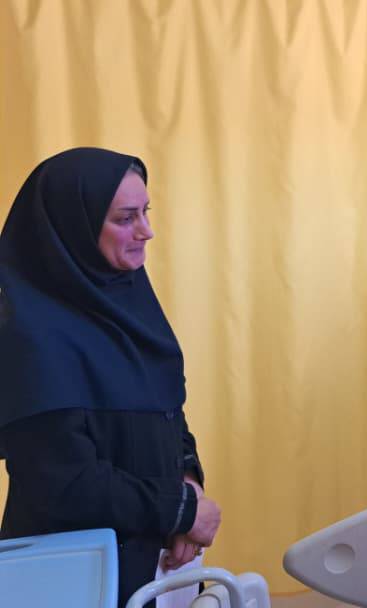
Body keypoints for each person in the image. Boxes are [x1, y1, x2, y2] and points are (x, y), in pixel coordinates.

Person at [0, 147, 222, 606]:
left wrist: (188, 483)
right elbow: (64, 484)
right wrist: (180, 511)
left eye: (145, 211)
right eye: (125, 218)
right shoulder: (29, 335)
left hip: (158, 565)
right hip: (74, 579)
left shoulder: (130, 308)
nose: (146, 230)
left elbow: (168, 418)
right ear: (74, 227)